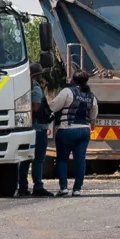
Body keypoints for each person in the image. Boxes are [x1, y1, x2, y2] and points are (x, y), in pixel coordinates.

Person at [49, 69, 98, 197]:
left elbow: (53, 106)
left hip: (67, 130)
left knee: (62, 160)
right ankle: (77, 189)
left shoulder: (67, 92)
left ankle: (64, 188)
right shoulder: (91, 96)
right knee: (80, 160)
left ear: (73, 80)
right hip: (84, 131)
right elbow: (93, 115)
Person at [18, 63, 52, 197]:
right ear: (37, 75)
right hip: (39, 129)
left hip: (27, 128)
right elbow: (36, 107)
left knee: (25, 159)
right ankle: (38, 185)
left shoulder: (25, 86)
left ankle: (22, 187)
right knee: (38, 159)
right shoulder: (36, 89)